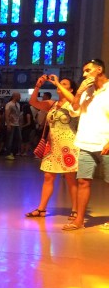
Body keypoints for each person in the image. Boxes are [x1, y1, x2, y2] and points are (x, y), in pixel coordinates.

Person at [24, 74, 78, 220]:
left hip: (68, 146)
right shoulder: (52, 104)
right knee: (48, 177)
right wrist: (37, 86)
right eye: (61, 83)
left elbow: (75, 103)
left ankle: (75, 209)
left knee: (70, 178)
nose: (60, 85)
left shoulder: (73, 104)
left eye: (65, 84)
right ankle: (41, 209)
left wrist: (57, 83)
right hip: (52, 146)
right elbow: (33, 101)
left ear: (71, 89)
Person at [64, 58, 109, 231]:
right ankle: (79, 220)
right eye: (83, 71)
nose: (84, 74)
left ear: (99, 69)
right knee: (83, 181)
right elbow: (74, 111)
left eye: (88, 70)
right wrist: (79, 91)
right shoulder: (86, 91)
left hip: (105, 142)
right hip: (85, 141)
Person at [4, 92, 22, 160]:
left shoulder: (18, 104)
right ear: (15, 96)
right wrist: (8, 124)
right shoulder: (9, 104)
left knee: (18, 139)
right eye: (19, 96)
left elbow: (18, 115)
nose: (20, 97)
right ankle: (8, 153)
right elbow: (6, 115)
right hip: (11, 124)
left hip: (16, 124)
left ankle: (13, 152)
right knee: (10, 139)